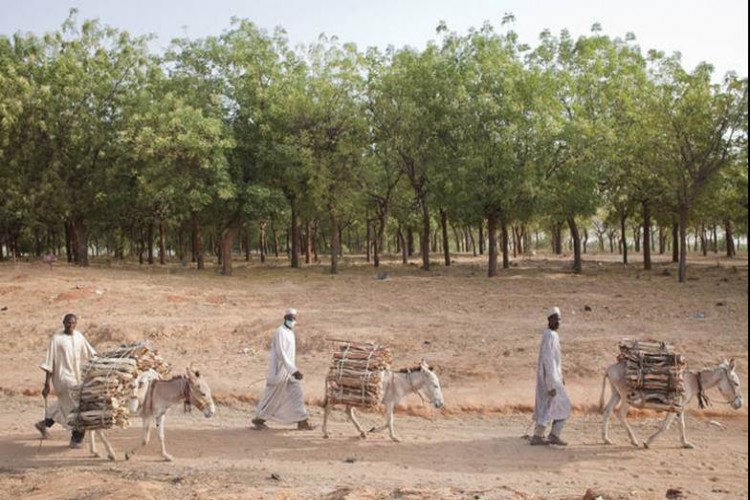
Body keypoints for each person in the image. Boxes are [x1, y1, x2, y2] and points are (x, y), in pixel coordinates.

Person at [35, 313, 97, 448]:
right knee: (77, 406)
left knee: (63, 404)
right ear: (63, 323)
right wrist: (47, 384)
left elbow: (92, 353)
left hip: (76, 377)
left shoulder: (79, 336)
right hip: (63, 378)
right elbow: (49, 362)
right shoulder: (56, 339)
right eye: (68, 323)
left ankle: (44, 423)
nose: (71, 325)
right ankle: (76, 439)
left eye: (73, 323)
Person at [251, 308, 315, 431]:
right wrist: (294, 370)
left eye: (293, 319)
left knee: (297, 394)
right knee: (273, 397)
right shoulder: (280, 332)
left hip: (289, 372)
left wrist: (292, 370)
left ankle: (302, 421)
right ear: (285, 319)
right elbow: (281, 353)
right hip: (279, 371)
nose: (292, 321)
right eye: (290, 318)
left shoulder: (290, 333)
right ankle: (259, 419)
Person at [530, 306, 571, 446]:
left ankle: (542, 435)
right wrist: (551, 383)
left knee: (549, 406)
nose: (559, 322)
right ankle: (549, 435)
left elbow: (556, 360)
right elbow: (548, 361)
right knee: (560, 404)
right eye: (556, 319)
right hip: (551, 379)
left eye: (560, 319)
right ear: (550, 320)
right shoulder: (549, 335)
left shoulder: (552, 335)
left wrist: (561, 375)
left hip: (554, 377)